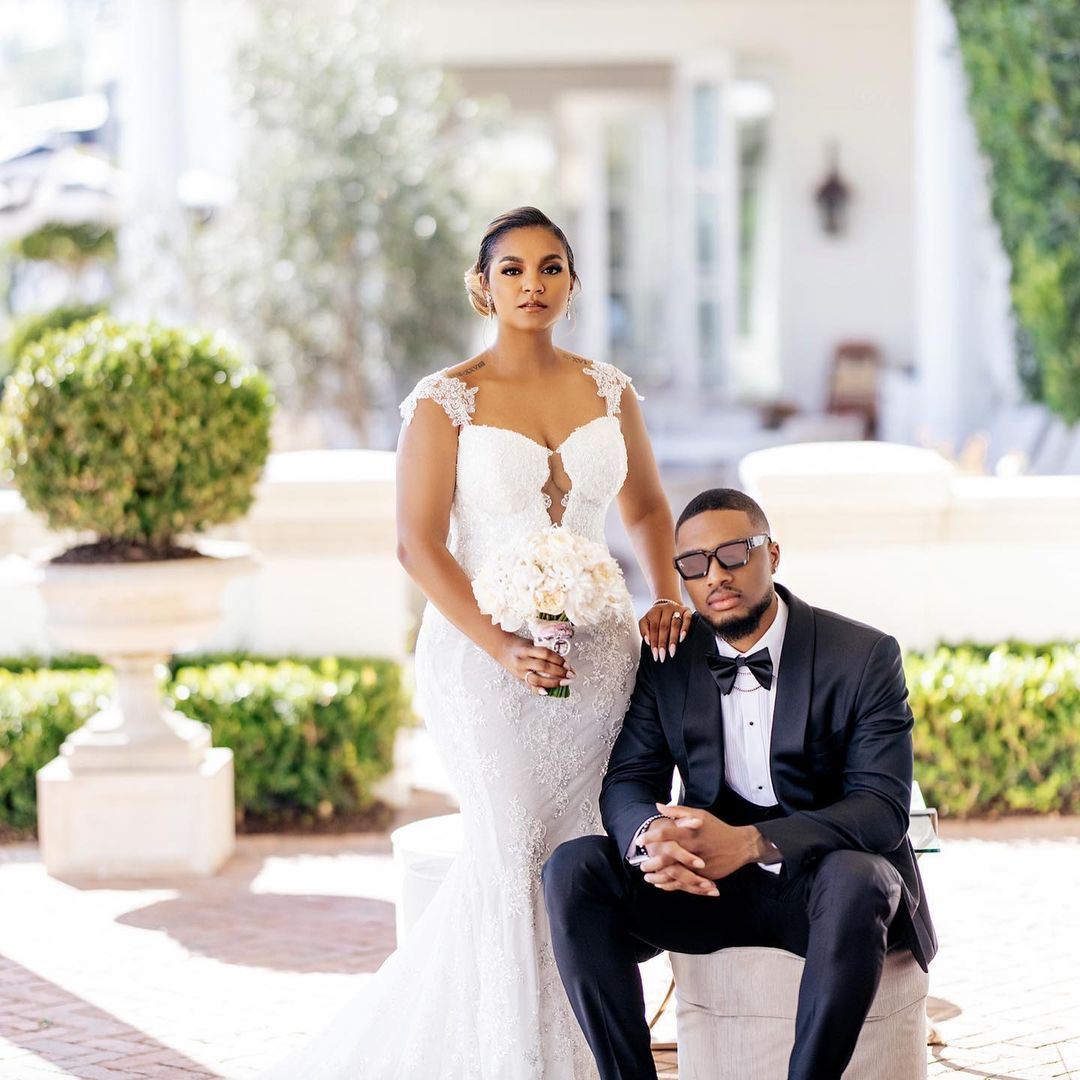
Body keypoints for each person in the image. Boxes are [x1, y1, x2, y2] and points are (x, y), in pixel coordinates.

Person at [264, 206, 691, 1079]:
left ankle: (592, 1054)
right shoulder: (444, 399)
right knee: (513, 852)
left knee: (582, 855)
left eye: (549, 268)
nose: (531, 285)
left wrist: (666, 594)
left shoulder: (609, 390)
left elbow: (646, 508)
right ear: (482, 285)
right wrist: (501, 647)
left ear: (572, 283)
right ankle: (509, 1058)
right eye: (512, 270)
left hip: (603, 659)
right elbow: (417, 544)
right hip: (485, 661)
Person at [543, 488, 937, 1080]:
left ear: (772, 555)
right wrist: (654, 839)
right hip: (704, 892)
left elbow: (882, 810)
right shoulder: (668, 660)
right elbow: (627, 780)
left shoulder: (862, 656)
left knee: (862, 876)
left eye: (734, 553)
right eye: (695, 565)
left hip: (819, 890)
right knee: (573, 868)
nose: (716, 576)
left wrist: (752, 843)